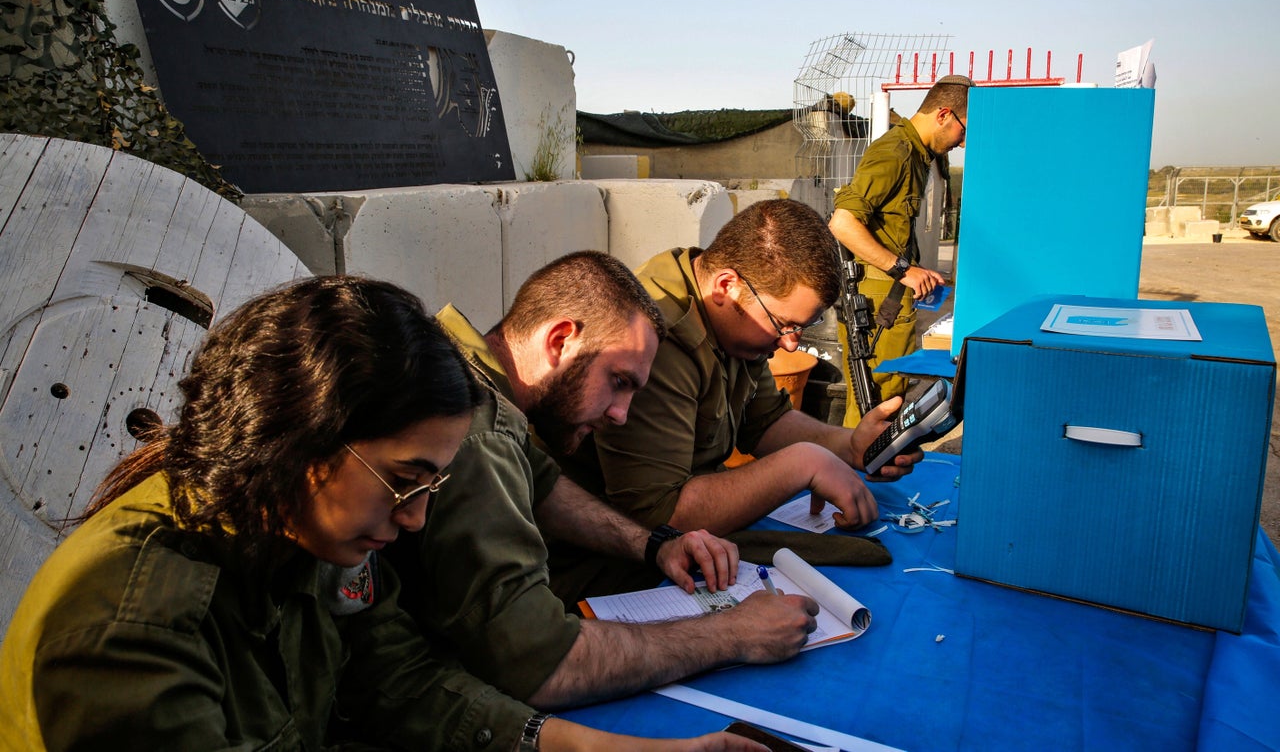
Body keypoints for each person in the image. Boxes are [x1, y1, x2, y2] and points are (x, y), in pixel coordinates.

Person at [0, 275, 769, 752]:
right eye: (407, 481)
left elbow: (402, 681)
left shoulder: (306, 528)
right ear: (302, 438)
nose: (417, 517)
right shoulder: (128, 633)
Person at [386, 251, 819, 712]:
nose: (621, 414)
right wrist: (733, 633)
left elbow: (545, 484)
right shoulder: (477, 435)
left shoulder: (468, 367)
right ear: (559, 340)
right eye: (617, 380)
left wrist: (654, 545)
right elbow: (544, 666)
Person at [562, 200, 922, 540]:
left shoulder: (735, 321)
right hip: (597, 557)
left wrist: (849, 446)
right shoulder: (658, 339)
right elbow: (660, 517)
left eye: (800, 327)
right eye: (784, 324)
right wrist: (802, 465)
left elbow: (764, 420)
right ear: (726, 286)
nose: (791, 344)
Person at [828, 74, 974, 425]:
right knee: (876, 405)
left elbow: (890, 230)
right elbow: (842, 223)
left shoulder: (917, 155)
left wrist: (916, 271)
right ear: (943, 114)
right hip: (879, 303)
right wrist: (903, 270)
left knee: (884, 398)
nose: (964, 142)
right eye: (964, 130)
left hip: (889, 297)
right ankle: (858, 477)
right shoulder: (895, 152)